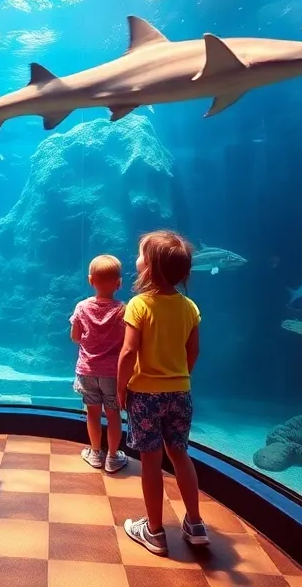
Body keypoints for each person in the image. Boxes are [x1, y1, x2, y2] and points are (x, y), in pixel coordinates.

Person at [117, 230, 210, 556]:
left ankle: (155, 531)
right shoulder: (189, 307)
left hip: (144, 396)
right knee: (180, 454)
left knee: (151, 461)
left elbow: (128, 352)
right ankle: (195, 524)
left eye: (141, 254)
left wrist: (121, 388)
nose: (137, 258)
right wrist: (179, 378)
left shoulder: (139, 304)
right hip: (180, 393)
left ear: (150, 267)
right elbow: (193, 351)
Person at [70, 254, 129, 473]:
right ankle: (112, 457)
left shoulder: (82, 307)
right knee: (113, 415)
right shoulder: (123, 309)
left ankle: (95, 453)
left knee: (92, 413)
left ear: (90, 280)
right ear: (119, 283)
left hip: (87, 370)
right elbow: (128, 340)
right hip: (113, 373)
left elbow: (75, 336)